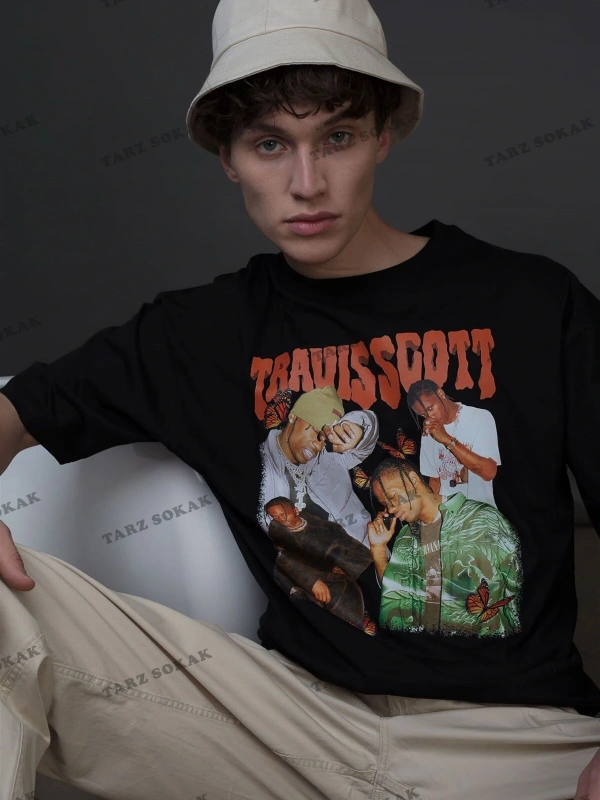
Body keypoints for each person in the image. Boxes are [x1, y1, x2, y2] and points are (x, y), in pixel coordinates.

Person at [0, 1, 599, 799]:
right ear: (228, 155)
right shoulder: (199, 334)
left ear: (383, 135)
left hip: (514, 740)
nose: (307, 184)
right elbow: (14, 411)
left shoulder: (531, 302)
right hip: (290, 731)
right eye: (270, 145)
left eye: (338, 138)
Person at [365, 456, 522, 636]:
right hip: (432, 646)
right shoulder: (405, 539)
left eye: (392, 497)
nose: (391, 509)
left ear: (413, 480)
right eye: (385, 504)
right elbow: (397, 598)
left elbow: (514, 586)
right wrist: (378, 549)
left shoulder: (480, 518)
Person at [258, 384, 379, 542]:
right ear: (293, 416)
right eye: (316, 432)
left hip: (372, 551)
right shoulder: (260, 467)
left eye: (325, 439)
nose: (319, 445)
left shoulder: (330, 457)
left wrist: (358, 427)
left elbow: (366, 443)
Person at [263, 496, 378, 635]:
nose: (281, 519)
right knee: (336, 590)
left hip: (337, 563)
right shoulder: (278, 537)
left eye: (284, 514)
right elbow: (287, 561)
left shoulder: (320, 524)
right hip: (313, 573)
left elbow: (344, 541)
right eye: (275, 517)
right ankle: (356, 619)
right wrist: (313, 580)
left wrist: (341, 563)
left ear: (296, 510)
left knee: (360, 566)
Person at [407, 379, 502, 507]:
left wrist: (446, 439)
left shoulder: (479, 417)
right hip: (451, 515)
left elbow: (489, 472)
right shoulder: (428, 433)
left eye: (430, 408)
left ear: (440, 393)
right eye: (423, 415)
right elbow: (435, 482)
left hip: (480, 513)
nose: (429, 417)